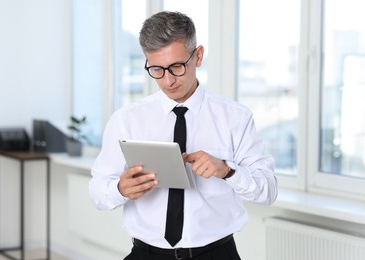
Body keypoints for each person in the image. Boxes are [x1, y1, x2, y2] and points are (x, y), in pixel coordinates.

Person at [89, 11, 277, 260]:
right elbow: (97, 191)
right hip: (146, 254)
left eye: (177, 66)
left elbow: (268, 191)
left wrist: (227, 170)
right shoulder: (127, 119)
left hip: (216, 254)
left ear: (198, 56)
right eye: (156, 69)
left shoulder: (235, 118)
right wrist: (120, 188)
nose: (168, 81)